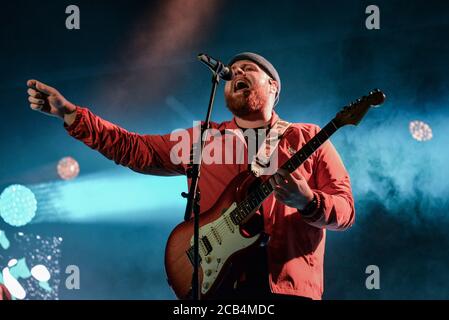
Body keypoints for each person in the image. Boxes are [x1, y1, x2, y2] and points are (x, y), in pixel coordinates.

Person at [26, 52, 355, 300]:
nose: (236, 72)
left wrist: (309, 202)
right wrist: (71, 115)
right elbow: (134, 148)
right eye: (232, 70)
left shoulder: (308, 138)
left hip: (284, 288)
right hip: (213, 286)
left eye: (248, 69)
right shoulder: (203, 140)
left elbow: (345, 210)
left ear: (273, 86)